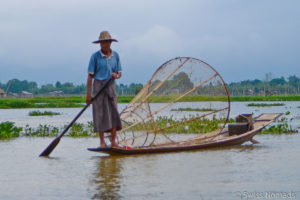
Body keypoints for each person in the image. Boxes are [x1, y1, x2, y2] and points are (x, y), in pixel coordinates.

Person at [86, 31, 122, 148]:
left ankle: (113, 142)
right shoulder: (95, 56)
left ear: (110, 43)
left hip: (110, 85)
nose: (104, 45)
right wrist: (88, 95)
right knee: (100, 113)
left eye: (106, 42)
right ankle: (102, 142)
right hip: (98, 85)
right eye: (102, 43)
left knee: (114, 112)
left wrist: (116, 75)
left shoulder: (115, 55)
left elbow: (119, 72)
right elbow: (90, 76)